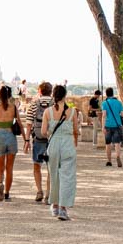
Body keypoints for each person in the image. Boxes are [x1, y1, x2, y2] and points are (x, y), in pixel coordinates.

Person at [44, 84, 79, 221]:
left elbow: (43, 131)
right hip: (67, 144)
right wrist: (74, 140)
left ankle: (55, 205)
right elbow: (76, 130)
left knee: (54, 175)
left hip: (53, 144)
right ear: (65, 96)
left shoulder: (48, 111)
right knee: (67, 176)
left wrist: (52, 134)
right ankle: (63, 209)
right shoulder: (72, 112)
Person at [0, 85, 20, 201]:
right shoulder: (13, 108)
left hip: (0, 136)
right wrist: (26, 140)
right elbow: (20, 124)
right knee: (10, 168)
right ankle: (7, 192)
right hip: (11, 137)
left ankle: (0, 182)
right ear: (9, 96)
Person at [25, 82, 53, 204]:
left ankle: (39, 191)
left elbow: (29, 123)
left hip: (37, 139)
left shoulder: (33, 104)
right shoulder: (55, 104)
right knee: (50, 168)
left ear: (39, 91)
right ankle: (48, 194)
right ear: (51, 91)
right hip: (52, 140)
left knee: (37, 166)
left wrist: (27, 140)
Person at [101, 85, 123, 168]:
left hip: (108, 125)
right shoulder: (119, 103)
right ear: (113, 93)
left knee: (108, 144)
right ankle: (118, 156)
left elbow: (104, 115)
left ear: (106, 94)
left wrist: (103, 126)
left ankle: (109, 161)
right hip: (117, 125)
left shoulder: (104, 103)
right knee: (117, 143)